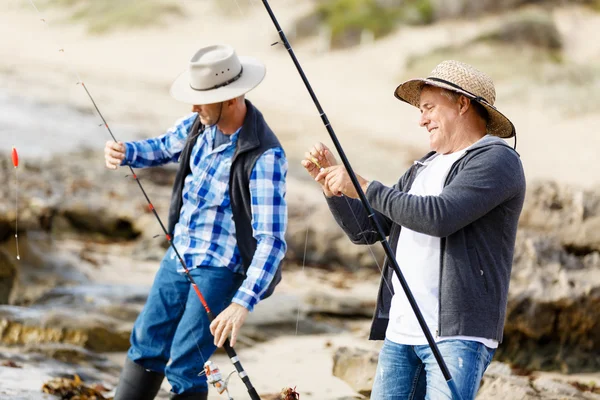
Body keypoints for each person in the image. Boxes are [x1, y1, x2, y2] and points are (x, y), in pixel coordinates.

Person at [302, 60, 525, 399]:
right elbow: (366, 230)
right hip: (402, 330)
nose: (421, 119)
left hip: (457, 337)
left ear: (463, 103)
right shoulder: (424, 166)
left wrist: (363, 185)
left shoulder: (497, 160)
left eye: (428, 108)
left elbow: (439, 217)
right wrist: (335, 188)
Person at [104, 44, 288, 400]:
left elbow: (272, 241)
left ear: (231, 99)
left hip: (221, 268)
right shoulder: (196, 125)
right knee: (145, 344)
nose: (193, 107)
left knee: (187, 366)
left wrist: (241, 303)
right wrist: (126, 151)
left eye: (201, 99)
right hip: (180, 256)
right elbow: (162, 147)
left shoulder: (265, 156)